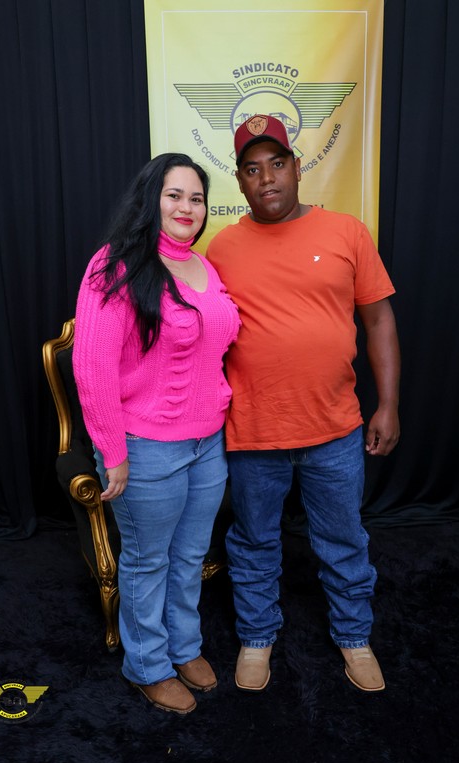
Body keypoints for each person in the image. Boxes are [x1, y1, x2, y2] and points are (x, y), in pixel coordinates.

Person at [207, 115, 400, 693]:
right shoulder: (223, 247)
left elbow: (379, 320)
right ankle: (256, 636)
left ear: (297, 167)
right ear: (240, 181)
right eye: (252, 169)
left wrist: (388, 404)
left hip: (334, 427)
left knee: (343, 540)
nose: (266, 178)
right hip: (253, 430)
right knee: (253, 541)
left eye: (277, 164)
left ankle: (354, 636)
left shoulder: (347, 232)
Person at [73, 153, 240, 715]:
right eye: (174, 195)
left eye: (197, 198)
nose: (187, 207)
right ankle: (147, 664)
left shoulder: (204, 267)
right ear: (151, 198)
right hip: (145, 448)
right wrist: (112, 452)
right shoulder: (114, 265)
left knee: (190, 555)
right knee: (148, 561)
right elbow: (92, 367)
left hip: (207, 444)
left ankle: (184, 646)